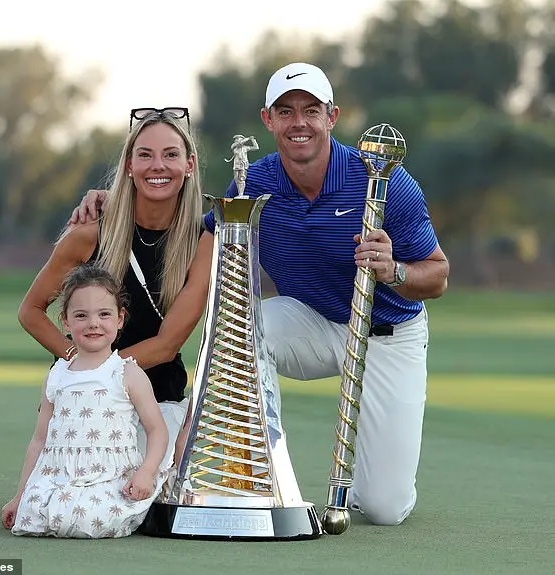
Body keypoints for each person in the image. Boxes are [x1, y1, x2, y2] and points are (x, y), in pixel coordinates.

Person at [73, 63, 450, 526]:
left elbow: (438, 275)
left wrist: (393, 270)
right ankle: (264, 473)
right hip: (311, 322)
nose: (299, 123)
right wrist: (119, 199)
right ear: (268, 120)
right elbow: (198, 230)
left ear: (332, 117)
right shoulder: (254, 182)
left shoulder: (382, 180)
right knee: (248, 325)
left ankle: (370, 490)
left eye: (312, 111)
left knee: (383, 508)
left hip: (387, 333)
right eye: (285, 111)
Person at [19, 107, 213, 467]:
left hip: (156, 398)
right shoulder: (91, 233)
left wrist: (103, 370)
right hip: (83, 398)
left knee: (135, 499)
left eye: (170, 154)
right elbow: (30, 311)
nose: (158, 165)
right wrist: (78, 365)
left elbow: (167, 344)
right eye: (145, 154)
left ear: (189, 165)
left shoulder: (202, 242)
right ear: (128, 165)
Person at [1, 263, 169, 538]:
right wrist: (20, 495)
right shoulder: (57, 375)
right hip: (58, 477)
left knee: (92, 518)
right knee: (33, 512)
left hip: (107, 479)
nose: (93, 323)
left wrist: (146, 472)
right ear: (66, 322)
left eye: (104, 314)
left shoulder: (126, 372)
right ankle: (43, 502)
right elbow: (40, 440)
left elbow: (156, 430)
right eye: (81, 315)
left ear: (120, 319)